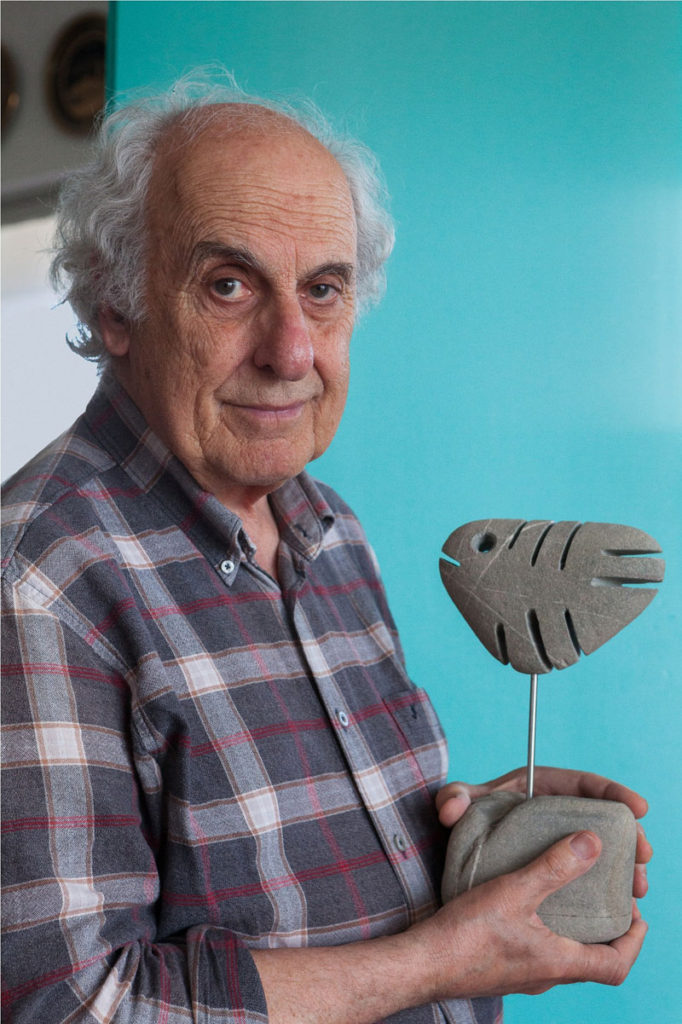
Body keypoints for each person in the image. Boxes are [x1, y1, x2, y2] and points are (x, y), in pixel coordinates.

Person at [1, 77, 651, 1024]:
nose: (293, 350)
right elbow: (71, 1005)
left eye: (323, 291)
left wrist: (473, 838)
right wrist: (437, 962)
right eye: (229, 286)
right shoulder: (38, 580)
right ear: (116, 306)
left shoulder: (329, 527)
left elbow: (293, 871)